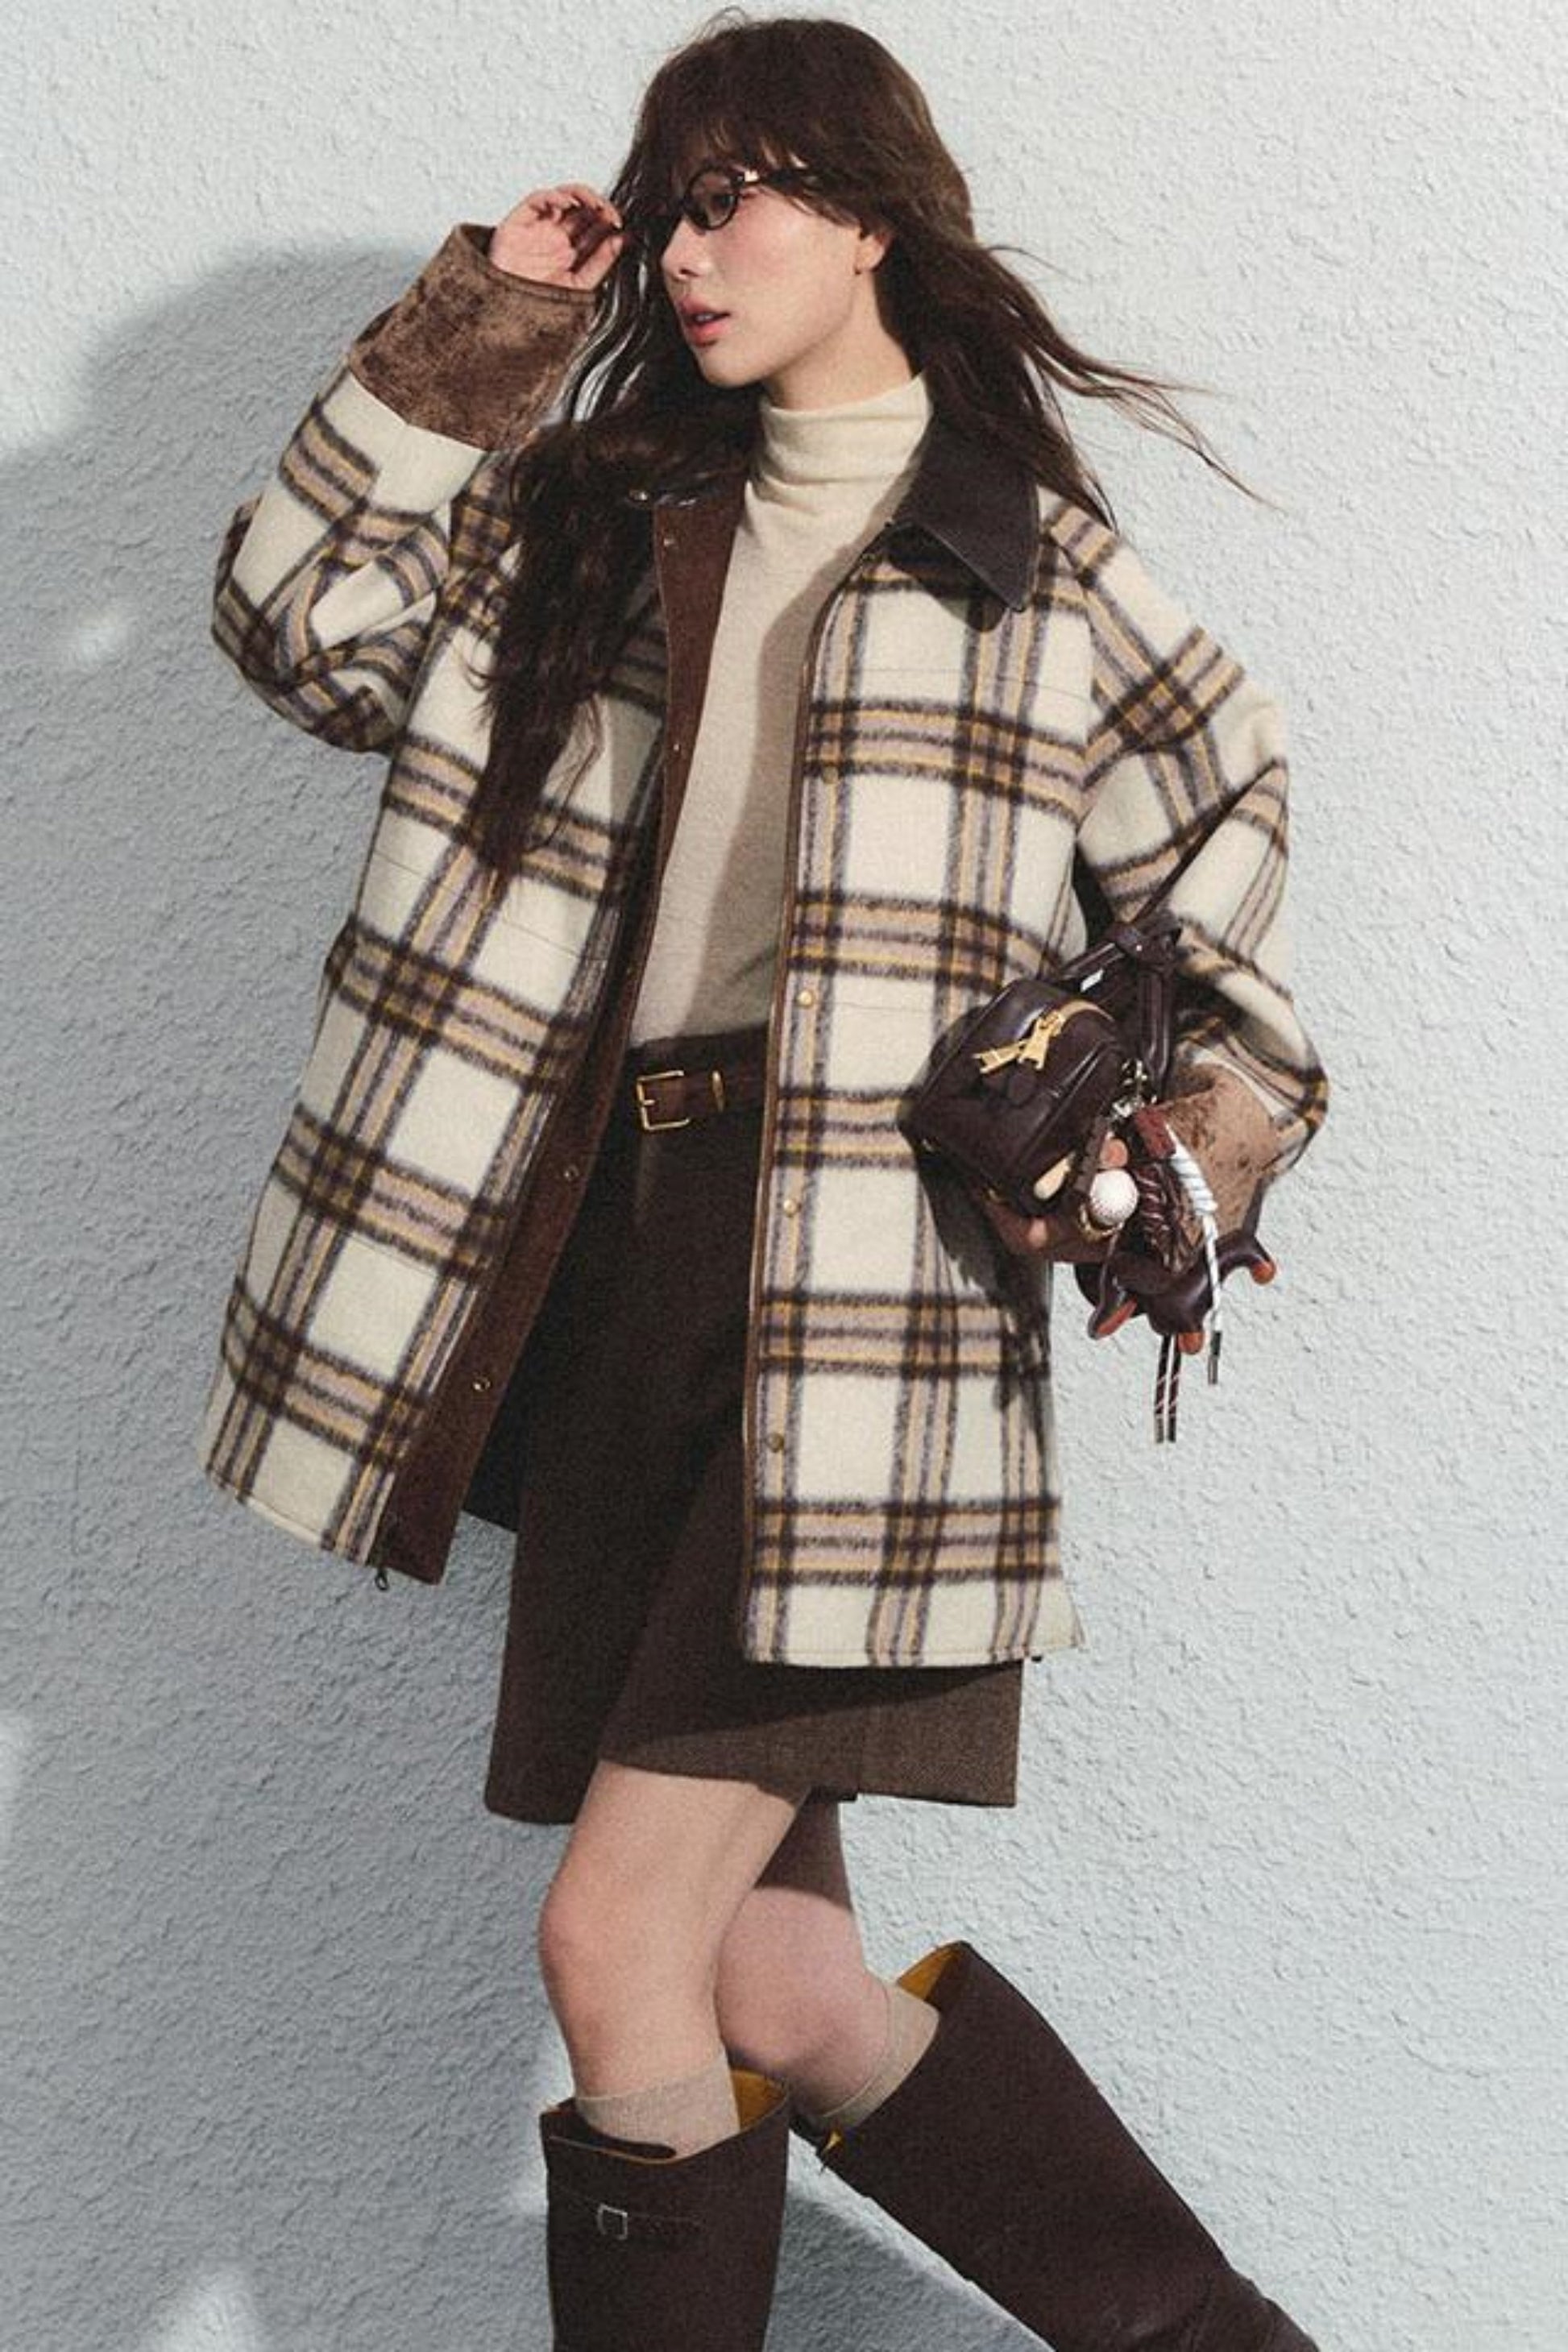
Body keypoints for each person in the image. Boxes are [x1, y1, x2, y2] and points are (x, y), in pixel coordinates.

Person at [195, 10, 1329, 2346]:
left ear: (871, 216)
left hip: (869, 1332)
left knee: (616, 1946)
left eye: (735, 201)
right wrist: (487, 325)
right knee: (784, 1988)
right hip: (612, 1274)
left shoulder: (1036, 580)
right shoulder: (588, 519)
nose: (689, 256)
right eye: (670, 210)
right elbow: (296, 629)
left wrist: (1152, 1169)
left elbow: (1232, 950)